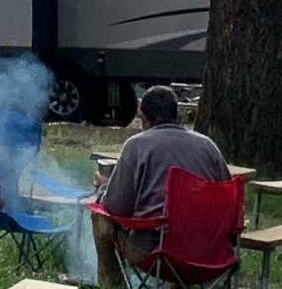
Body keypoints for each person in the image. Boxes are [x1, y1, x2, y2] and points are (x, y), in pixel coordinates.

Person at [98, 84, 229, 232]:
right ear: (175, 113)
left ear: (145, 118)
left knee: (100, 219)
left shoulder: (136, 145)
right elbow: (227, 195)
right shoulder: (207, 145)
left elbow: (117, 208)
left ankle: (108, 256)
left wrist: (104, 188)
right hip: (205, 243)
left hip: (157, 242)